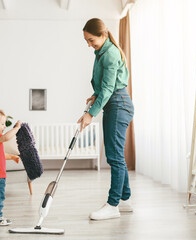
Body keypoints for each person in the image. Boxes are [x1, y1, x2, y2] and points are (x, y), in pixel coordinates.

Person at [78, 18, 134, 220]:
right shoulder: (101, 51)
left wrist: (90, 113)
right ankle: (125, 199)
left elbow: (111, 88)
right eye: (86, 40)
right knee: (116, 155)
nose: (89, 44)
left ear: (102, 35)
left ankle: (113, 205)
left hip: (118, 104)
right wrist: (96, 95)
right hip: (114, 103)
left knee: (114, 156)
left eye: (91, 40)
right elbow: (106, 85)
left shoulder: (109, 54)